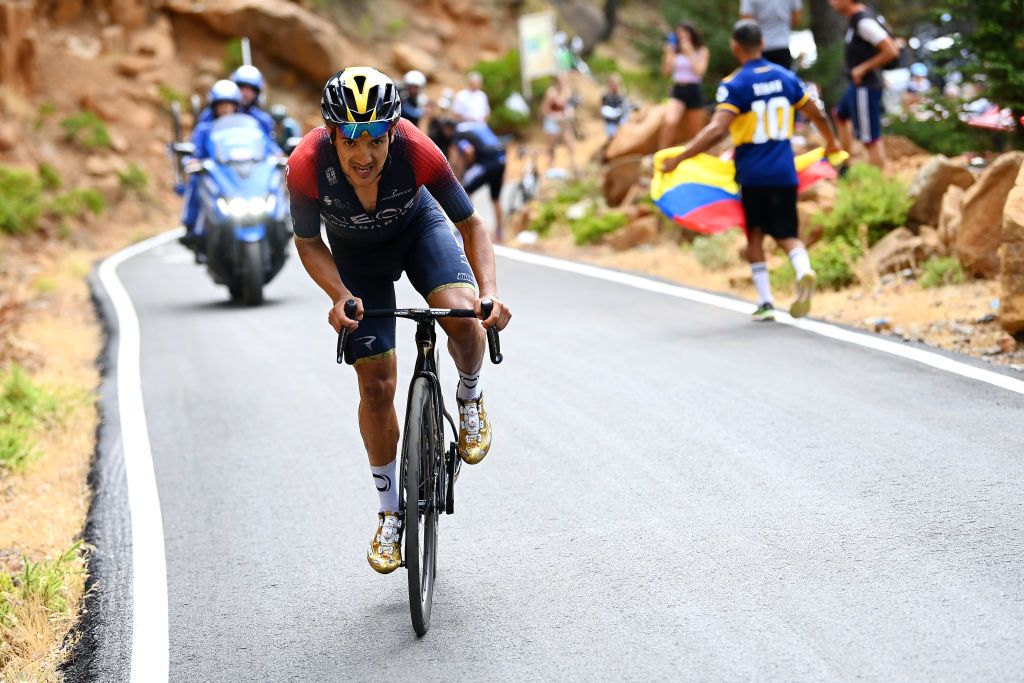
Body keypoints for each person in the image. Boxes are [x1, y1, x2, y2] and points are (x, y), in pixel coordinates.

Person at [286, 67, 511, 574]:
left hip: (419, 232)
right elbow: (306, 241)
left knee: (461, 314)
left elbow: (470, 224)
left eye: (373, 139)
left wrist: (491, 293)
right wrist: (339, 293)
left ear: (392, 132)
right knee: (375, 384)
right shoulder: (305, 165)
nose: (362, 155)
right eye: (349, 138)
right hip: (357, 262)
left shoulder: (418, 150)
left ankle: (470, 396)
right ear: (330, 133)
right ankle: (390, 514)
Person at [661, 20, 842, 322]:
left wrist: (681, 157)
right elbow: (817, 113)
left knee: (754, 233)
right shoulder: (786, 77)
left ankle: (767, 301)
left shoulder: (735, 84)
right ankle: (803, 269)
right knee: (787, 232)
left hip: (752, 172)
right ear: (762, 44)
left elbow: (717, 130)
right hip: (785, 170)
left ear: (735, 47)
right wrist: (833, 143)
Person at [180, 80, 281, 254]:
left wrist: (278, 155)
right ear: (214, 107)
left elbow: (266, 145)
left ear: (236, 105)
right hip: (216, 176)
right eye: (221, 105)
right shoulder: (205, 128)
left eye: (229, 105)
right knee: (196, 184)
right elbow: (194, 153)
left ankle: (283, 221)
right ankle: (193, 228)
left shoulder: (251, 125)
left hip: (243, 174)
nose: (225, 109)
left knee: (274, 182)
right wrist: (192, 162)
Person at [830, 0, 899, 169]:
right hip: (857, 86)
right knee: (839, 114)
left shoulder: (864, 22)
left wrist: (862, 68)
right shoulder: (855, 20)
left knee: (870, 139)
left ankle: (878, 185)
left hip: (866, 87)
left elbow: (891, 50)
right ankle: (845, 165)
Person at [444, 119, 507, 243]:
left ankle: (464, 230)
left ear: (449, 129)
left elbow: (469, 151)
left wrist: (468, 168)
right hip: (501, 159)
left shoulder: (458, 134)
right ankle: (500, 231)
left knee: (464, 191)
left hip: (487, 161)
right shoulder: (473, 125)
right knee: (495, 198)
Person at [658, 22, 710, 151]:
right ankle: (660, 153)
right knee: (670, 122)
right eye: (679, 33)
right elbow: (665, 73)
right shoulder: (675, 51)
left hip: (694, 90)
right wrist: (668, 55)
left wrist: (690, 52)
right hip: (678, 89)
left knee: (696, 132)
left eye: (684, 33)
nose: (681, 36)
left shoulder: (701, 50)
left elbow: (700, 71)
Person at [197, 65, 275, 138]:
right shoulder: (210, 116)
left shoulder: (262, 119)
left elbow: (268, 143)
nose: (245, 94)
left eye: (250, 90)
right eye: (242, 88)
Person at [739, 0, 802, 69]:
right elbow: (797, 19)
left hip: (758, 48)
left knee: (760, 79)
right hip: (782, 46)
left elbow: (746, 21)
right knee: (783, 78)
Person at [540, 72, 578, 175]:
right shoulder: (551, 93)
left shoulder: (567, 91)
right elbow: (544, 109)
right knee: (552, 147)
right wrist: (555, 116)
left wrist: (569, 113)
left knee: (570, 143)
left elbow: (569, 106)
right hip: (552, 121)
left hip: (563, 122)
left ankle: (574, 167)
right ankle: (549, 167)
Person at [601, 73, 629, 139]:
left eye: (615, 83)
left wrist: (620, 112)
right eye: (612, 84)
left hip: (621, 119)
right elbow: (602, 107)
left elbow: (625, 109)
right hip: (610, 121)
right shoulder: (606, 96)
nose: (614, 85)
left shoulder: (622, 95)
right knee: (612, 136)